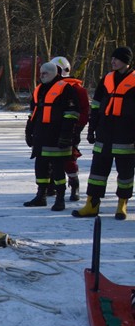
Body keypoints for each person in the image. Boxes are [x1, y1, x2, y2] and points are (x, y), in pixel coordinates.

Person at [74, 46, 134, 220]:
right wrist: (92, 129)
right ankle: (92, 204)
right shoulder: (106, 79)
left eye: (117, 59)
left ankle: (122, 205)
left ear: (126, 62)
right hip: (105, 132)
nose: (112, 61)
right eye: (112, 58)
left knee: (125, 174)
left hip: (126, 134)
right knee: (97, 173)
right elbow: (96, 105)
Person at [23, 61, 80, 211]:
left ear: (54, 73)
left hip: (58, 136)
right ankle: (41, 195)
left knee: (58, 169)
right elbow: (32, 113)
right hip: (41, 135)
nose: (41, 76)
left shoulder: (65, 89)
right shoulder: (39, 90)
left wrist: (66, 135)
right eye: (40, 73)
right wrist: (29, 132)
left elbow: (72, 114)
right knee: (40, 167)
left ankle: (60, 199)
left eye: (45, 73)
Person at [48, 56, 89, 201]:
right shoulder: (48, 87)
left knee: (69, 158)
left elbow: (84, 111)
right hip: (51, 129)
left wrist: (76, 127)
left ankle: (74, 184)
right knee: (49, 158)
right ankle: (51, 185)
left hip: (70, 129)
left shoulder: (77, 89)